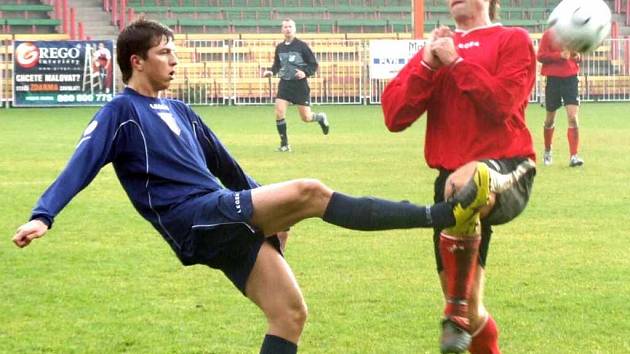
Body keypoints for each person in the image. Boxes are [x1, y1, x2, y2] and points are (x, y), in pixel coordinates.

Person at [12, 19, 489, 354]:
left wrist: (269, 214)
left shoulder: (180, 111)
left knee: (289, 315)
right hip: (193, 218)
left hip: (222, 211)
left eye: (174, 51)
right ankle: (441, 215)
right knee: (310, 192)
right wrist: (42, 214)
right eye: (165, 53)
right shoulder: (121, 113)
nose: (174, 60)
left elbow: (229, 167)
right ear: (136, 61)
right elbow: (81, 164)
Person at [381, 0, 537, 353]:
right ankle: (461, 314)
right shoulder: (438, 48)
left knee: (465, 181)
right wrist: (426, 63)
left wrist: (457, 62)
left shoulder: (512, 39)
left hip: (508, 168)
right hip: (450, 184)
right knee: (472, 308)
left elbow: (503, 104)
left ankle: (455, 312)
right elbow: (394, 116)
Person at [262, 18, 329, 152]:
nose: (288, 29)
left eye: (290, 27)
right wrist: (271, 71)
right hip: (285, 84)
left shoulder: (302, 46)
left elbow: (313, 64)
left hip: (300, 85)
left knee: (306, 117)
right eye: (285, 27)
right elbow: (277, 65)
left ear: (295, 29)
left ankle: (320, 117)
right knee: (279, 112)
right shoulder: (279, 47)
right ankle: (284, 144)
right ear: (282, 30)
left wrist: (305, 73)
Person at [537, 28, 584, 167]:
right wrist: (559, 55)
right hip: (553, 80)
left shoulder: (573, 34)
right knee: (550, 119)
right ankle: (547, 151)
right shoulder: (549, 35)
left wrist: (578, 57)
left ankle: (574, 156)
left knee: (573, 118)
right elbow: (540, 56)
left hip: (571, 79)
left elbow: (578, 56)